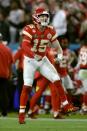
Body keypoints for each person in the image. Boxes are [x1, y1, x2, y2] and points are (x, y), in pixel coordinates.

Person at [19, 7, 63, 124]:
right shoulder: (31, 31)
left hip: (45, 65)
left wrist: (59, 58)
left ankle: (56, 110)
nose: (44, 18)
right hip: (36, 65)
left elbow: (57, 49)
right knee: (35, 89)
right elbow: (25, 47)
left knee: (52, 87)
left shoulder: (49, 34)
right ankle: (26, 111)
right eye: (42, 16)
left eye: (46, 16)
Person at [0, 33, 13, 116]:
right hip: (5, 74)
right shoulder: (7, 49)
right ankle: (4, 111)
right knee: (4, 93)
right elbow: (10, 64)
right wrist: (10, 74)